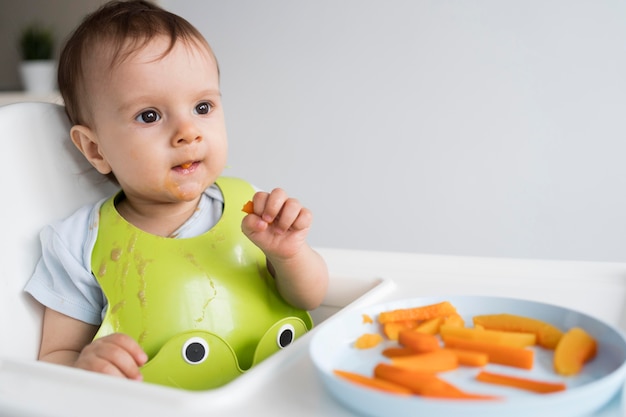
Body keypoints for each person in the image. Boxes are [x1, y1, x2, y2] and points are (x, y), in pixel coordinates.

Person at [24, 0, 328, 388]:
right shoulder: (79, 242)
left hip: (279, 393)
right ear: (96, 149)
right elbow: (54, 357)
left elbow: (311, 298)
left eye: (203, 106)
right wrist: (86, 366)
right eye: (149, 115)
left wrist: (289, 254)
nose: (189, 131)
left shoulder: (250, 208)